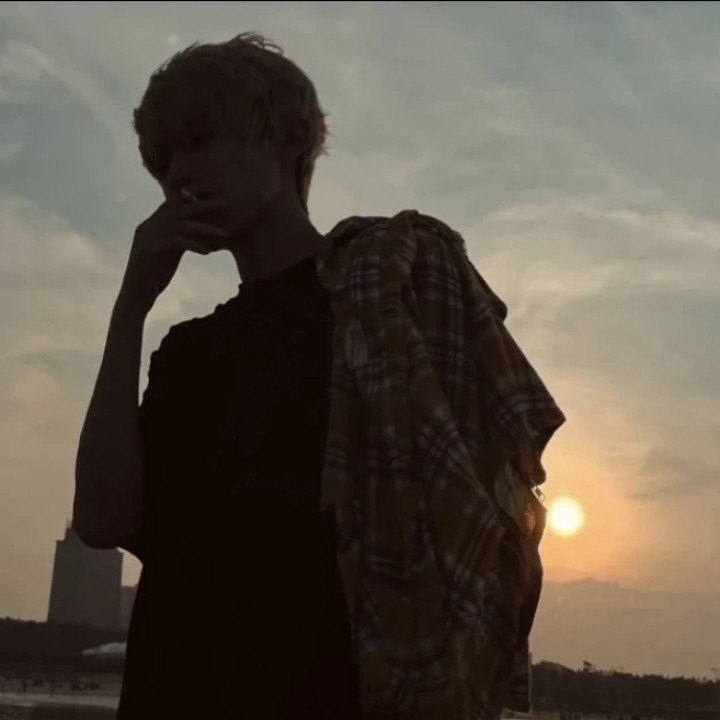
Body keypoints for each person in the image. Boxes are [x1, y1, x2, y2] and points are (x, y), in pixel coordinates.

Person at [73, 32, 565, 720]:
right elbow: (101, 521)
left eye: (199, 140)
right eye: (163, 160)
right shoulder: (188, 353)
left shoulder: (394, 295)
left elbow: (489, 503)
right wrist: (130, 308)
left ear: (287, 139)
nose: (178, 172)